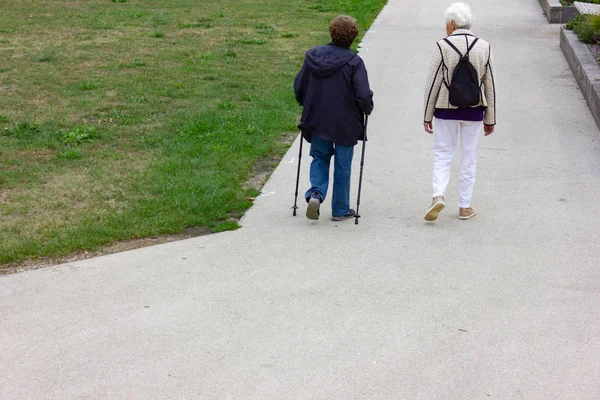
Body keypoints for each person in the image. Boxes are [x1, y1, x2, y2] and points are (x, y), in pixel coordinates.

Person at [294, 15, 374, 221]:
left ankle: (315, 194)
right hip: (345, 123)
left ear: (332, 33)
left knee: (320, 157)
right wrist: (367, 108)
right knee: (343, 164)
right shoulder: (354, 62)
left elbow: (299, 86)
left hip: (317, 119)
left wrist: (304, 102)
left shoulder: (313, 56)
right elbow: (363, 94)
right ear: (353, 37)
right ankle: (340, 210)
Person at [423, 2, 496, 221]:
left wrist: (427, 115)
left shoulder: (442, 46)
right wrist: (490, 119)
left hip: (445, 110)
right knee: (468, 157)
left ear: (452, 23)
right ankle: (465, 207)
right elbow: (490, 84)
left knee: (442, 154)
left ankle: (438, 196)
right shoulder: (484, 46)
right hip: (474, 111)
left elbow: (433, 82)